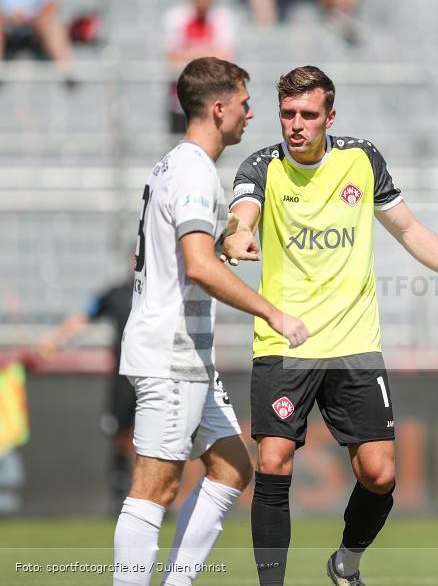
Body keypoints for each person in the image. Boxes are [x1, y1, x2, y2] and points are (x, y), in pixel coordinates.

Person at [222, 65, 438, 586]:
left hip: (354, 344)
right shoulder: (263, 166)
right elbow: (242, 213)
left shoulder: (362, 159)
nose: (296, 125)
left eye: (308, 114)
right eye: (287, 114)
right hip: (286, 342)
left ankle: (346, 561)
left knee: (379, 474)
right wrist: (236, 237)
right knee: (274, 461)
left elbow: (408, 227)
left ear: (330, 116)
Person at [113, 57, 308, 586]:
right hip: (170, 353)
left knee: (231, 469)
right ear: (219, 108)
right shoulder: (196, 169)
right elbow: (196, 265)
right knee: (155, 488)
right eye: (245, 104)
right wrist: (272, 311)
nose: (251, 114)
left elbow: (196, 250)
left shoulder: (178, 164)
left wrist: (229, 238)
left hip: (187, 355)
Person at [37, 276, 135, 512]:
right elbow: (84, 314)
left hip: (160, 374)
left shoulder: (167, 289)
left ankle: (155, 495)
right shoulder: (117, 293)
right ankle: (120, 495)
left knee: (153, 436)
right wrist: (55, 339)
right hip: (124, 377)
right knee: (121, 436)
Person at [163, 0, 238, 134]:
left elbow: (226, 57)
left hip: (214, 101)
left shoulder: (225, 18)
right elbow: (171, 56)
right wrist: (208, 53)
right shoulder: (175, 17)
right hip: (181, 101)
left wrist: (189, 53)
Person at [0, 0, 74, 80]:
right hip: (7, 28)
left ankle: (67, 72)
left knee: (49, 23)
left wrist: (30, 18)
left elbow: (51, 5)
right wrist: (11, 18)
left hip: (36, 28)